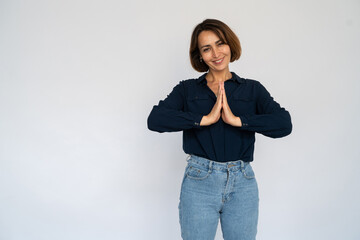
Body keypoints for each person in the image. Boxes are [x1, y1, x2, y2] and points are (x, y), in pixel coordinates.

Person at [147, 19, 292, 240]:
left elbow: (284, 123)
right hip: (199, 182)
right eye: (207, 48)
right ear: (200, 56)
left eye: (220, 43)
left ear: (230, 45)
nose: (216, 53)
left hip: (242, 182)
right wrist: (203, 119)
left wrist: (239, 121)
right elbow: (155, 119)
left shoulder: (252, 89)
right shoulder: (187, 90)